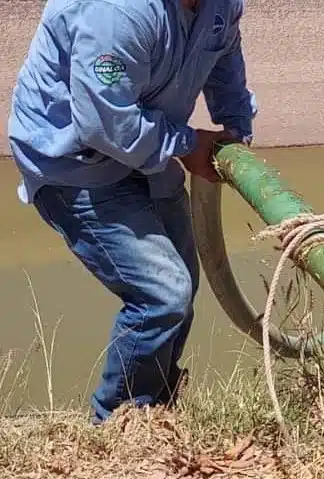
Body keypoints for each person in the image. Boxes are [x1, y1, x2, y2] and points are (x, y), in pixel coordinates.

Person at [7, 0, 256, 424]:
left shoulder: (222, 4)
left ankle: (156, 408)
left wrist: (236, 131)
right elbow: (103, 124)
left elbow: (224, 53)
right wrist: (188, 145)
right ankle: (118, 423)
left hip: (147, 139)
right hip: (75, 160)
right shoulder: (119, 12)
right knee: (162, 297)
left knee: (183, 287)